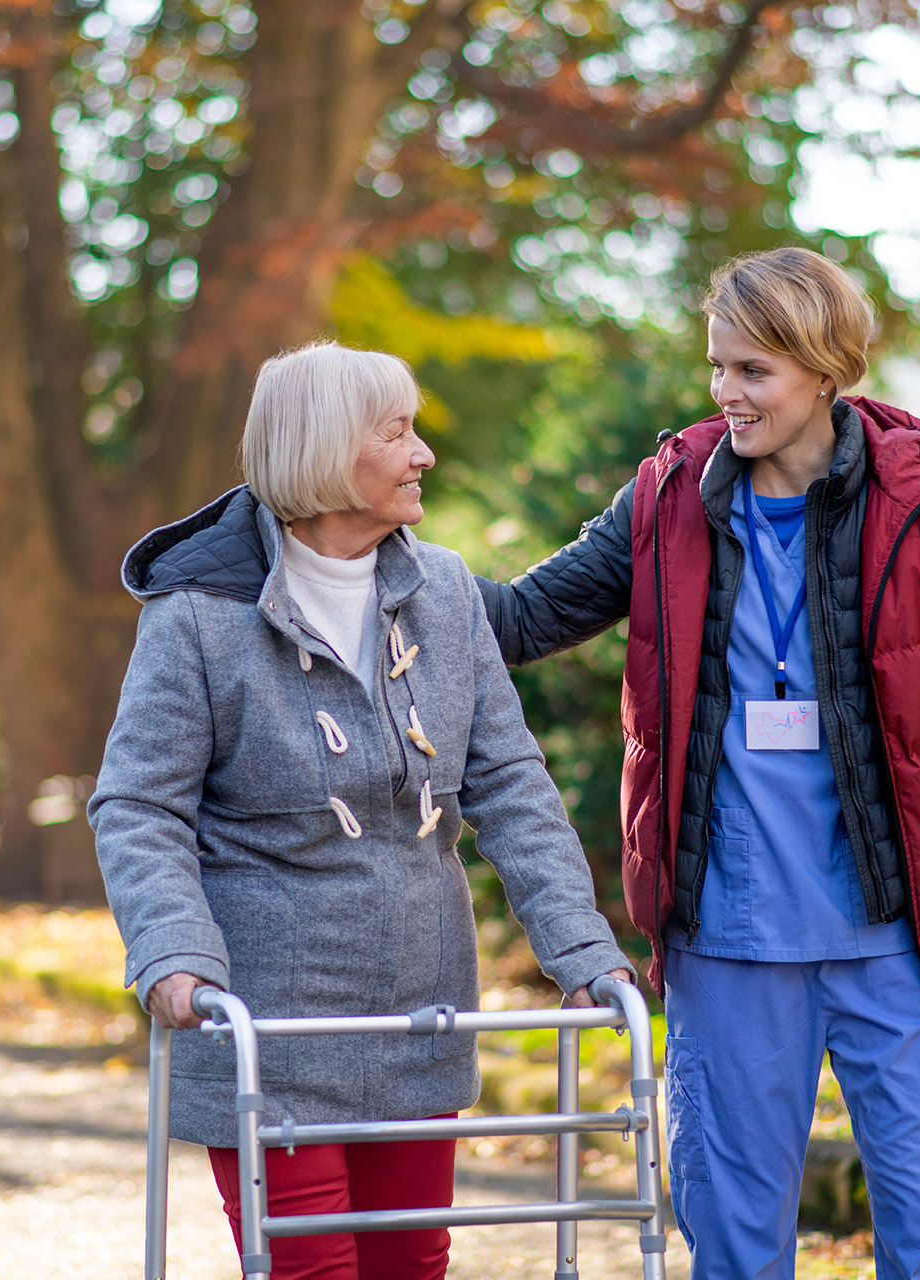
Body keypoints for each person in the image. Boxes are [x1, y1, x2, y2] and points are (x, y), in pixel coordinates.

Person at [475, 247, 920, 1279]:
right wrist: (353, 544)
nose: (725, 393)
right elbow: (524, 614)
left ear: (825, 370)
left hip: (898, 939)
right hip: (729, 940)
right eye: (717, 367)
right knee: (735, 1249)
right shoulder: (664, 500)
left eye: (754, 371)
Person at [90, 341, 633, 1280]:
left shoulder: (447, 593)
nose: (423, 453)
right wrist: (174, 952)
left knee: (412, 1267)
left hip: (420, 1010)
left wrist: (580, 952)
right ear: (327, 449)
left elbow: (510, 785)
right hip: (273, 1024)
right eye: (398, 433)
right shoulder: (198, 617)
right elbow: (138, 806)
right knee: (312, 1272)